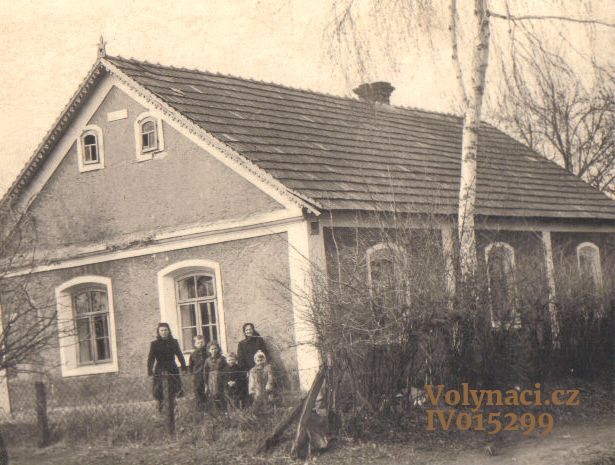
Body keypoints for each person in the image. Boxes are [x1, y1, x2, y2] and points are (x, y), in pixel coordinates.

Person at [147, 323, 187, 412]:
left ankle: (174, 410)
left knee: (173, 390)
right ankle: (161, 410)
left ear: (169, 331)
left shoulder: (174, 342)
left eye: (165, 330)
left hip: (172, 368)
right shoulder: (154, 344)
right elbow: (151, 358)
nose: (164, 332)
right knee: (159, 390)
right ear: (158, 332)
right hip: (159, 369)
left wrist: (184, 367)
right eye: (161, 330)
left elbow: (179, 355)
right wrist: (150, 370)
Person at [203, 340, 227, 410]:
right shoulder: (207, 360)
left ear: (218, 349)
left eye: (215, 348)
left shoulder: (222, 358)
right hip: (211, 379)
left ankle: (224, 409)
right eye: (212, 349)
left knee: (221, 393)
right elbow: (205, 371)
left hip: (220, 378)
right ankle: (215, 410)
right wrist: (206, 383)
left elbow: (226, 368)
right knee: (213, 394)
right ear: (209, 350)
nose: (214, 350)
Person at [188, 335, 208, 410]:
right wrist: (192, 373)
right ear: (195, 344)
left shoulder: (207, 352)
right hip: (198, 375)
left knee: (207, 390)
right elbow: (191, 365)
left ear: (204, 343)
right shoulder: (193, 354)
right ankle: (200, 407)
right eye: (198, 343)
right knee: (198, 390)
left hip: (207, 374)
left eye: (201, 342)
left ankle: (209, 406)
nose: (200, 344)